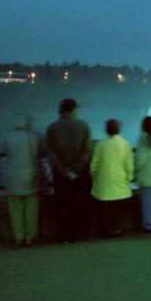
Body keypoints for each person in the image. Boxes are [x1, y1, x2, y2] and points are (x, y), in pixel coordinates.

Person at [45, 98, 92, 242]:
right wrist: (75, 169)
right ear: (73, 110)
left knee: (63, 205)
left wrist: (64, 170)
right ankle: (80, 234)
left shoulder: (52, 128)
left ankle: (65, 236)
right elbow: (87, 150)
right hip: (80, 173)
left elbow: (50, 152)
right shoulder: (83, 126)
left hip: (60, 174)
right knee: (80, 203)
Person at [3, 114, 46, 245]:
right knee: (31, 209)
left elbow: (4, 150)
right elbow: (41, 152)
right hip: (30, 176)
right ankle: (30, 237)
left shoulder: (8, 136)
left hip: (13, 176)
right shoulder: (34, 136)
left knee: (15, 210)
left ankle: (18, 237)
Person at [91, 119, 133, 236]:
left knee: (105, 209)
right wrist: (129, 177)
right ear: (119, 130)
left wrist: (95, 177)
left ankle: (105, 230)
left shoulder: (100, 144)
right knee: (117, 209)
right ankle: (116, 229)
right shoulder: (124, 144)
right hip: (120, 181)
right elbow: (128, 164)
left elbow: (94, 164)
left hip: (103, 182)